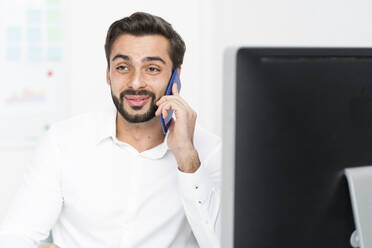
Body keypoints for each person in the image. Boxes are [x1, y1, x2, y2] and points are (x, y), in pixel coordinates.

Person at [0, 12, 221, 248]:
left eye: (152, 69)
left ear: (176, 76)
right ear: (108, 74)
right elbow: (14, 235)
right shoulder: (63, 141)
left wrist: (188, 159)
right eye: (123, 67)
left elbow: (224, 243)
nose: (136, 83)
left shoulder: (209, 151)